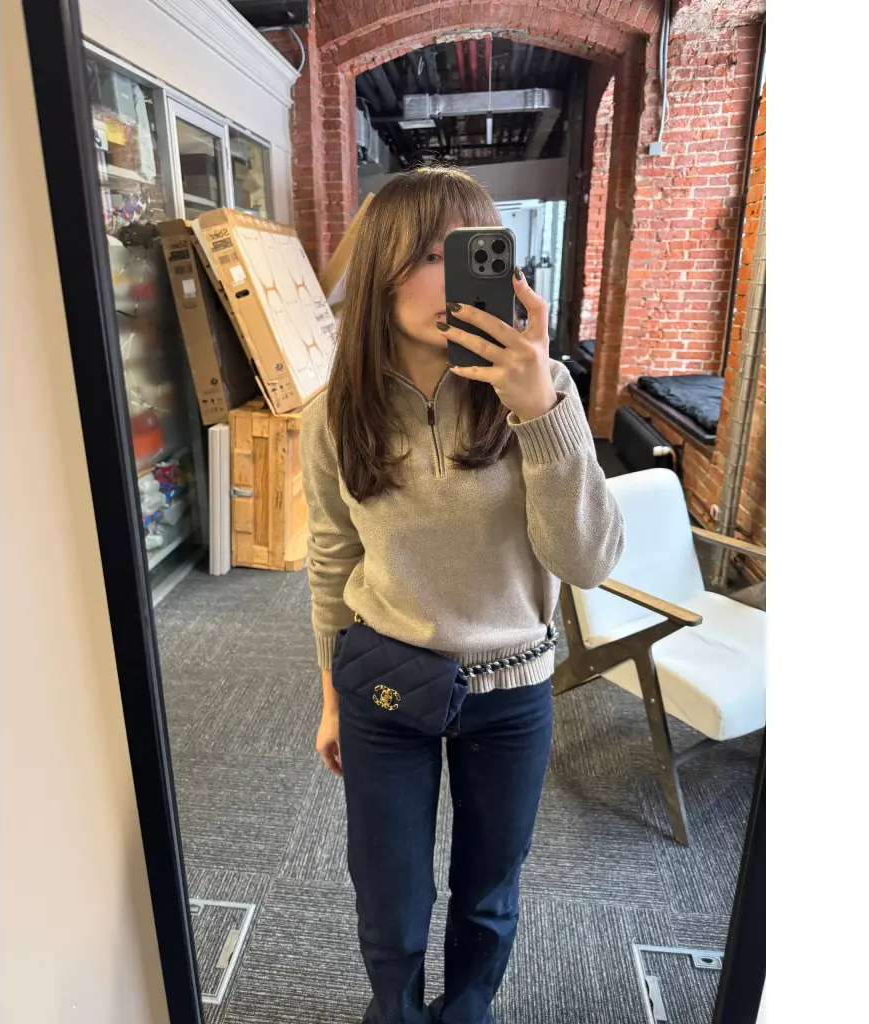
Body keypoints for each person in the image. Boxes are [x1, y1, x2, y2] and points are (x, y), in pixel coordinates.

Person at [300, 165, 625, 1024]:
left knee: (488, 893)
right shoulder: (331, 414)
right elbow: (331, 560)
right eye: (428, 256)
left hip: (511, 691)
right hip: (384, 686)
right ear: (380, 269)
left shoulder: (540, 389)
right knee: (391, 900)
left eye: (470, 252)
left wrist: (540, 409)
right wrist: (329, 699)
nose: (453, 278)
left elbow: (589, 561)